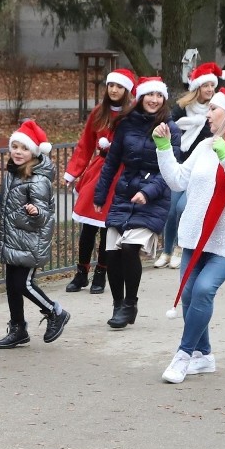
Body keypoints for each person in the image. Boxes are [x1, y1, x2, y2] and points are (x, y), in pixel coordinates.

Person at [153, 87, 225, 384]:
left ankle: (183, 355)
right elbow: (179, 180)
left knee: (204, 289)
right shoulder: (207, 145)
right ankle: (203, 356)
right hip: (197, 234)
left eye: (213, 110)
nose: (207, 115)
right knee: (190, 294)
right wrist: (164, 148)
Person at [93, 77, 181, 328]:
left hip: (153, 198)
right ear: (140, 98)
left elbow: (171, 170)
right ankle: (118, 304)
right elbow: (111, 162)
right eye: (149, 95)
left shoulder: (170, 128)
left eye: (159, 95)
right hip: (124, 194)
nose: (154, 100)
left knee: (130, 248)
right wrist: (100, 194)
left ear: (164, 99)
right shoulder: (126, 124)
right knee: (111, 253)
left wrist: (149, 192)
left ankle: (130, 303)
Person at [0, 120, 70, 349]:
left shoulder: (39, 179)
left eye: (24, 148)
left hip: (31, 240)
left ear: (33, 152)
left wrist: (36, 211)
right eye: (15, 147)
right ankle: (18, 328)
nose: (18, 152)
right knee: (12, 284)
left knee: (24, 284)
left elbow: (45, 214)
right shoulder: (13, 173)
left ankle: (55, 312)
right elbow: (11, 202)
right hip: (13, 239)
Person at [63, 69, 136, 294]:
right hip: (98, 172)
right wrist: (72, 172)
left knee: (107, 228)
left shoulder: (132, 115)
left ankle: (101, 273)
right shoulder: (98, 112)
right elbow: (85, 145)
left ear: (127, 90)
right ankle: (81, 272)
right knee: (88, 226)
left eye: (119, 86)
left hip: (120, 173)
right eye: (110, 85)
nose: (113, 90)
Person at [155, 63, 225, 270]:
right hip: (181, 163)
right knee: (169, 210)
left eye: (213, 86)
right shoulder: (182, 108)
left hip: (200, 169)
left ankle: (180, 248)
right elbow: (171, 128)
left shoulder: (215, 111)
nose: (210, 90)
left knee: (182, 207)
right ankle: (166, 251)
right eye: (206, 86)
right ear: (197, 88)